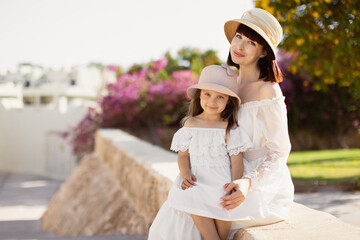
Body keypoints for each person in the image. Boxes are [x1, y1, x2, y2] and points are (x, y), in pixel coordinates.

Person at [148, 8, 294, 240]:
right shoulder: (227, 85)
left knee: (196, 210)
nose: (240, 46)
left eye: (251, 43)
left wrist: (247, 182)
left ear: (264, 51)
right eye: (238, 37)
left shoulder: (267, 89)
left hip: (256, 181)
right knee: (179, 209)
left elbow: (279, 150)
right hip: (219, 172)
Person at [149, 64, 253, 240]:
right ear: (199, 96)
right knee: (192, 195)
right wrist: (185, 173)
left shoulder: (229, 127)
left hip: (221, 180)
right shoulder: (191, 124)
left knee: (224, 203)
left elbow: (237, 159)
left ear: (228, 100)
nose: (212, 101)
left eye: (220, 96)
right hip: (198, 178)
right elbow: (183, 155)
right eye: (207, 94)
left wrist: (235, 183)